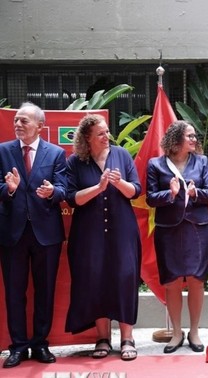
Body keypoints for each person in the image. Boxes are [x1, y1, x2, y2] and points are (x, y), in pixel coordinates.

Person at [64, 114, 141, 361]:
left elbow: (136, 190)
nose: (105, 137)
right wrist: (98, 188)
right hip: (89, 233)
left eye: (106, 132)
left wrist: (119, 184)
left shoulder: (122, 155)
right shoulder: (76, 162)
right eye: (99, 133)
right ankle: (103, 338)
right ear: (87, 138)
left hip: (123, 229)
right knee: (95, 278)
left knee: (125, 277)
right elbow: (71, 198)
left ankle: (127, 337)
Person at [0, 102, 66, 368]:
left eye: (24, 121)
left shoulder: (56, 153)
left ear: (40, 125)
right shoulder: (2, 151)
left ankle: (40, 343)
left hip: (46, 233)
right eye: (16, 120)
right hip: (12, 233)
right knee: (14, 292)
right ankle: (18, 346)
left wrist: (52, 193)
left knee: (45, 290)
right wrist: (10, 189)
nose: (18, 125)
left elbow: (64, 188)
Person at [146, 120, 208, 354]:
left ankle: (194, 331)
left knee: (196, 280)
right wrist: (170, 193)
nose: (195, 140)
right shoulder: (156, 164)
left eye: (195, 136)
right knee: (172, 281)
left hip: (198, 229)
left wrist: (196, 193)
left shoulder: (202, 162)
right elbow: (150, 198)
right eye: (190, 136)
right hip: (169, 230)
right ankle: (176, 333)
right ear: (175, 140)